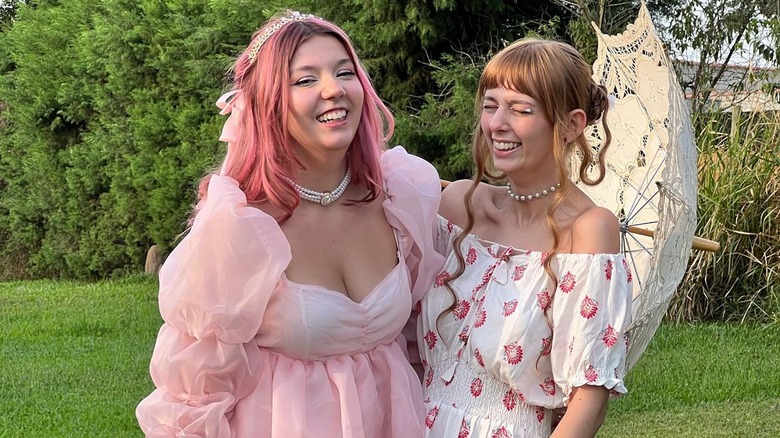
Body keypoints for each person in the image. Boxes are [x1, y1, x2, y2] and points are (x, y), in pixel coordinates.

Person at [136, 10, 444, 437]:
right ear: (267, 103)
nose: (333, 90)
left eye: (344, 72)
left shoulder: (401, 199)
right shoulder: (239, 228)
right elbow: (194, 398)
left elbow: (422, 340)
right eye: (305, 80)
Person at [416, 38, 633, 438]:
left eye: (520, 109)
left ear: (571, 125)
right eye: (490, 105)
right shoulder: (459, 204)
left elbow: (589, 401)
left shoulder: (587, 231)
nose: (497, 123)